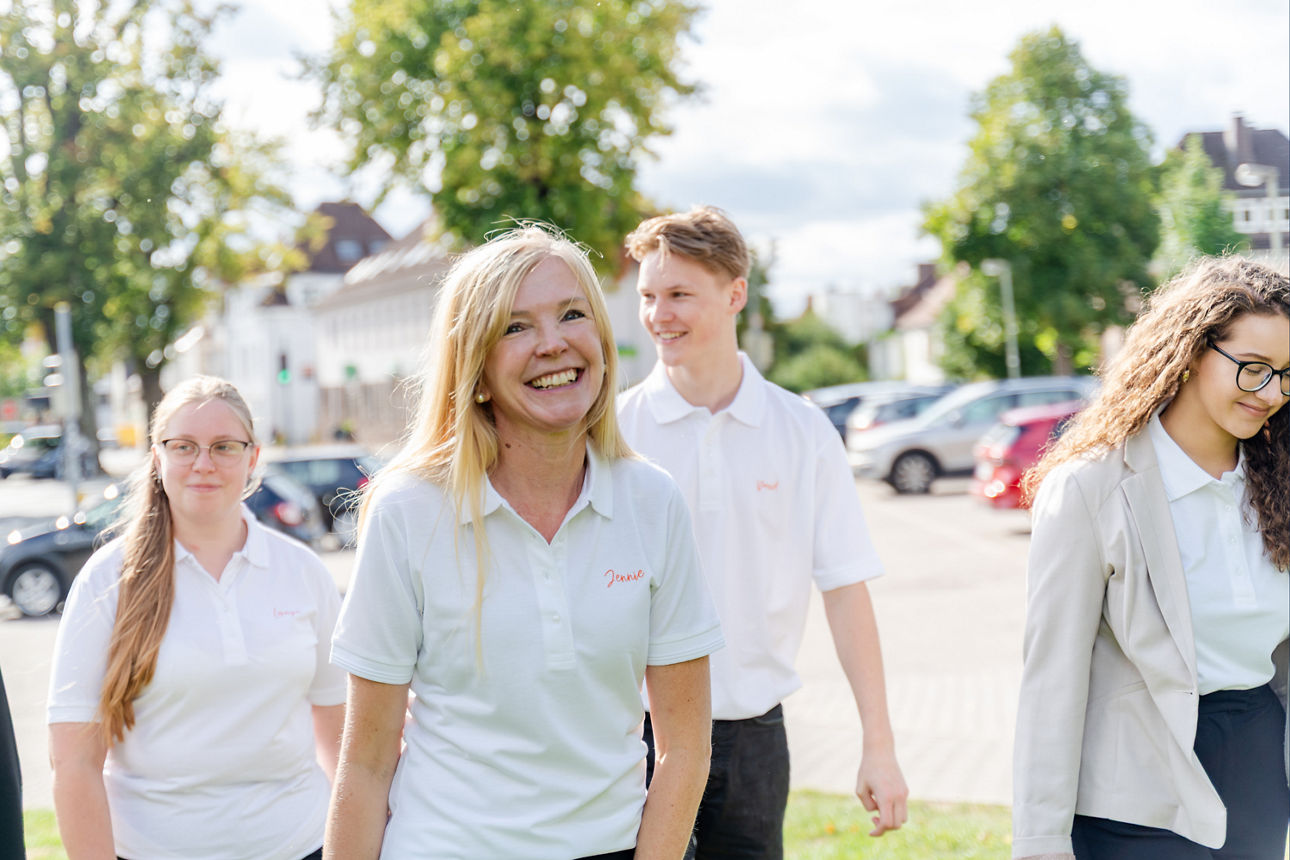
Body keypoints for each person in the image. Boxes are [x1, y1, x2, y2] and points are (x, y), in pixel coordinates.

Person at [325, 225, 723, 860]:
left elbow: (686, 745)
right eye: (515, 327)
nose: (553, 343)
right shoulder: (408, 511)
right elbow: (368, 764)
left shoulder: (652, 501)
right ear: (475, 370)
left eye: (572, 314)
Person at [618, 205, 908, 857]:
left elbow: (844, 589)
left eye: (679, 295)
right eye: (648, 296)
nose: (659, 314)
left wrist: (879, 746)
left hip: (754, 739)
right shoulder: (613, 435)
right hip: (633, 735)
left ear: (735, 295)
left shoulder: (801, 432)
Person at [1012, 256, 1290, 860]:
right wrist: (1039, 843)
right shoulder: (1090, 488)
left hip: (1258, 777)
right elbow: (1052, 681)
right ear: (1192, 351)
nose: (1271, 393)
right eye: (1253, 369)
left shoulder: (1280, 483)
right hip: (1133, 802)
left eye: (1287, 374)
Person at [47, 376, 346, 860]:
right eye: (183, 446)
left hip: (299, 845)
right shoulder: (107, 581)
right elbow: (74, 763)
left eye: (224, 446)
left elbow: (343, 739)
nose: (203, 464)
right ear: (157, 456)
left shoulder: (303, 572)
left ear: (252, 458)